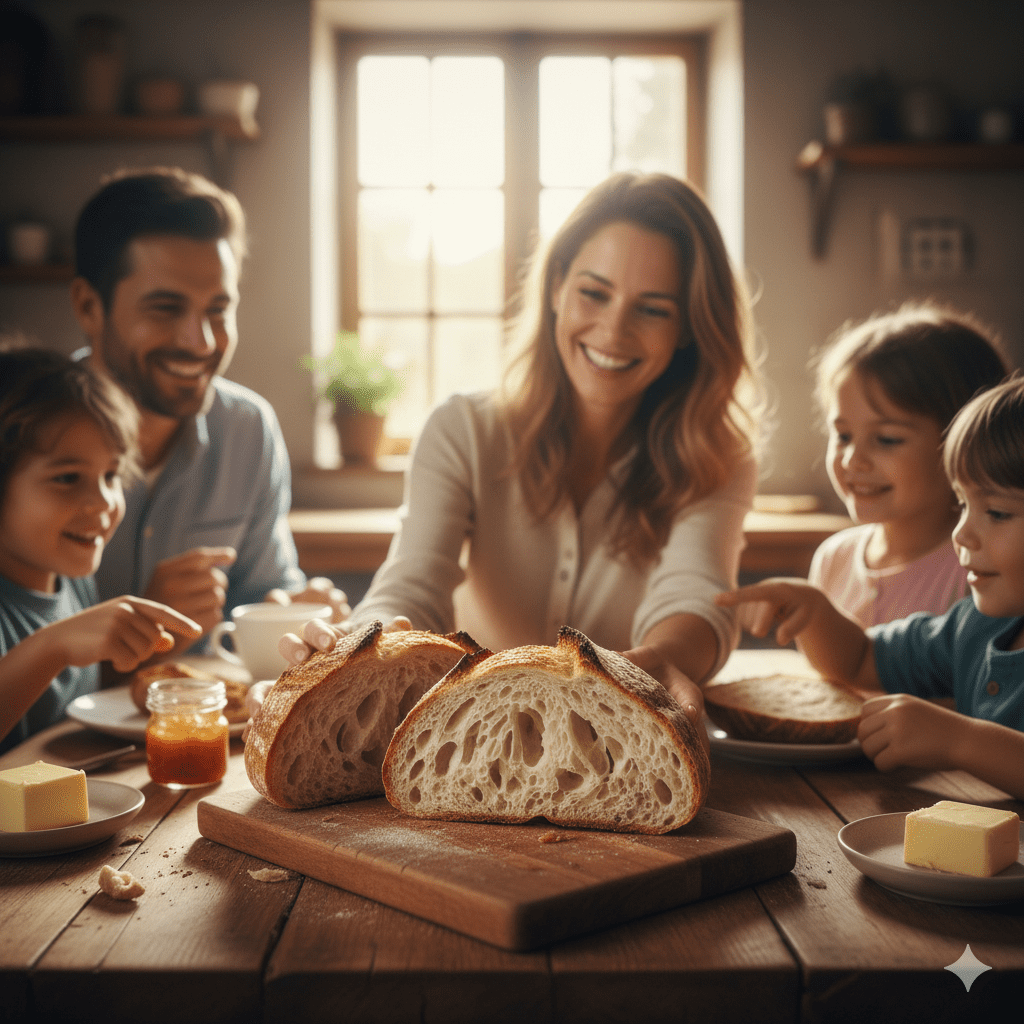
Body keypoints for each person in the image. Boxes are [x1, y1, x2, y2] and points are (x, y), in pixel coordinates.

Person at [276, 171, 765, 728]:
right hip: (468, 740)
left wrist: (657, 661)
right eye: (593, 293)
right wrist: (362, 644)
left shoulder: (717, 454)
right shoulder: (462, 429)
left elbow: (697, 597)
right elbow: (414, 584)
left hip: (620, 740)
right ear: (557, 286)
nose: (613, 330)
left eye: (652, 308)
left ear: (688, 328)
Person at [68, 167, 346, 649]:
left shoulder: (248, 430)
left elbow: (261, 595)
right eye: (166, 308)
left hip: (206, 724)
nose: (201, 342)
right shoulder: (25, 433)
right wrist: (141, 633)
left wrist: (289, 615)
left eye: (218, 310)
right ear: (90, 308)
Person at [715, 374, 1024, 800]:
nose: (962, 534)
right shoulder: (972, 627)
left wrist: (960, 741)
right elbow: (862, 658)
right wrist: (815, 610)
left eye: (997, 512)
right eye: (963, 504)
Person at [0, 347, 201, 754]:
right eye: (68, 477)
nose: (104, 501)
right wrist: (53, 647)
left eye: (110, 475)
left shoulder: (73, 583)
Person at [808, 302, 1008, 626]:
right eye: (843, 435)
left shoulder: (979, 573)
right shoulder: (834, 560)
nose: (853, 460)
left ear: (962, 444)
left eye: (887, 439)